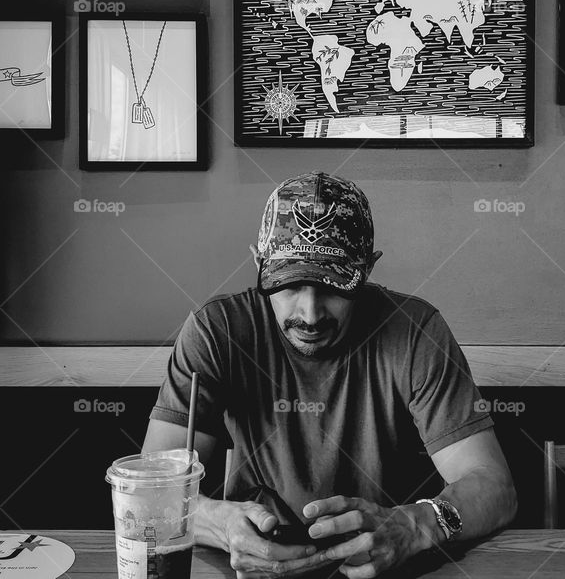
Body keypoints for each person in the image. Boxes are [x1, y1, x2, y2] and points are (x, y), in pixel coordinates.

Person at [142, 172, 516, 579]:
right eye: (289, 284)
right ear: (259, 263)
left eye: (335, 286)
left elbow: (495, 487)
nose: (310, 313)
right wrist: (218, 524)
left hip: (387, 569)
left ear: (368, 269)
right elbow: (148, 491)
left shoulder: (415, 331)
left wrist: (414, 526)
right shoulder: (217, 331)